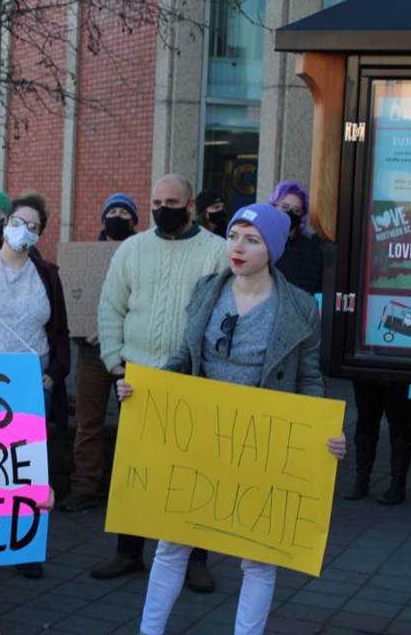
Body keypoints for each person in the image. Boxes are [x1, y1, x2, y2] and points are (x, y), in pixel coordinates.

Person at [117, 202, 347, 635]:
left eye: (252, 240)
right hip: (199, 436)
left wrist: (324, 432)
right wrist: (145, 391)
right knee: (172, 544)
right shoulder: (207, 288)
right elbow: (184, 358)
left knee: (257, 558)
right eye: (234, 236)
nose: (238, 247)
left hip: (259, 445)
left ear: (273, 248)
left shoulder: (299, 306)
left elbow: (310, 376)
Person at [91, 173, 226, 593]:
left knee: (194, 473)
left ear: (189, 206)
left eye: (171, 201)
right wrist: (115, 364)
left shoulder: (217, 252)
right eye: (156, 201)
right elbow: (110, 308)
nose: (162, 208)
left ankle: (195, 559)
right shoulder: (132, 250)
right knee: (135, 471)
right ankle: (129, 552)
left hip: (192, 380)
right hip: (137, 378)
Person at [0, 192, 71, 579]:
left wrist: (55, 371)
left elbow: (60, 331)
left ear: (40, 234)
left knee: (24, 467)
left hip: (31, 380)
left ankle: (23, 543)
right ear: (5, 225)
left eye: (33, 226)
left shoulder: (48, 275)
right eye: (18, 222)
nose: (24, 231)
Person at [59, 192, 138, 513]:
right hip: (91, 355)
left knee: (135, 425)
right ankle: (84, 486)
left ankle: (131, 487)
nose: (117, 216)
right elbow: (74, 303)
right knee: (88, 424)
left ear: (134, 220)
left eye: (124, 211)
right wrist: (83, 330)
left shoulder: (142, 254)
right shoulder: (84, 258)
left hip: (132, 355)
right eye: (112, 211)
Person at [341, 381, 411, 505]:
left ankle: (398, 484)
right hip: (367, 369)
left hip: (403, 371)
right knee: (365, 419)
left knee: (401, 420)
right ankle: (362, 478)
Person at [267, 181, 324, 295]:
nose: (290, 213)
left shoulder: (313, 251)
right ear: (273, 207)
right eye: (285, 207)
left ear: (302, 213)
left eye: (296, 210)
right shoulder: (263, 244)